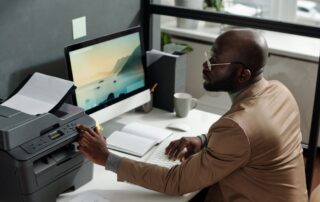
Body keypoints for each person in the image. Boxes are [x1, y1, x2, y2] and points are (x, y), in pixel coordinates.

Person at [77, 29, 308, 201]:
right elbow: (254, 142)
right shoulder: (279, 91)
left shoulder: (237, 127)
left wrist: (107, 158)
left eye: (215, 61)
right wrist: (203, 140)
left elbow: (176, 182)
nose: (205, 65)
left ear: (242, 74)